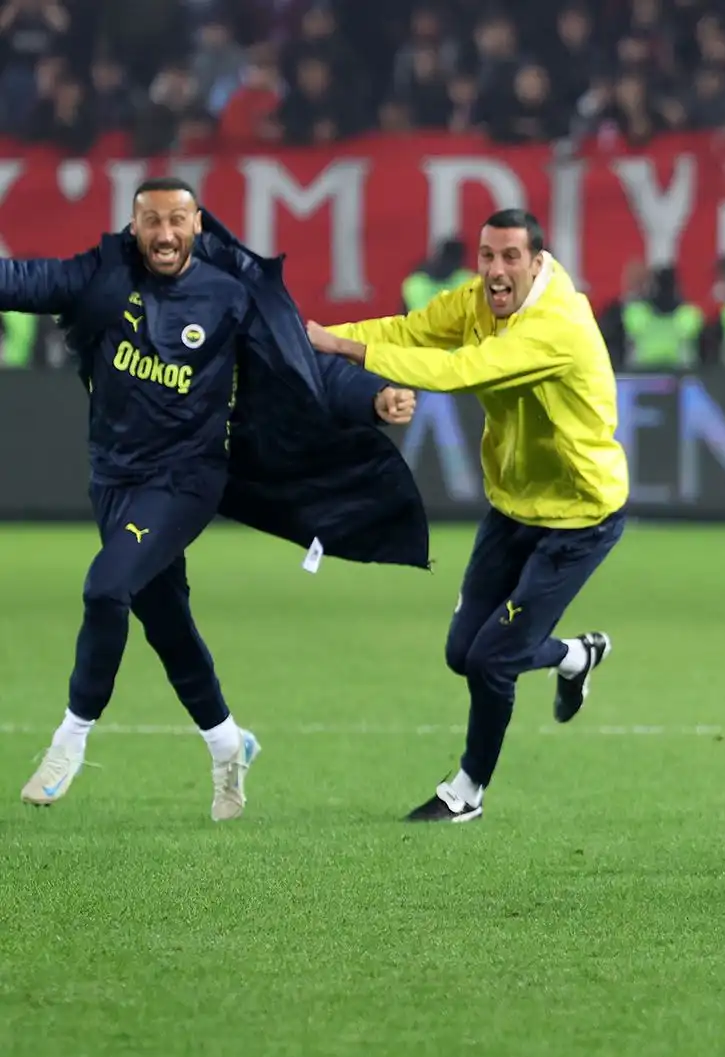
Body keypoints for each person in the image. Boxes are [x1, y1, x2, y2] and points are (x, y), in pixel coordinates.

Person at [5, 177, 429, 820]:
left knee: (104, 588)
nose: (166, 234)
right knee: (167, 623)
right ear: (133, 225)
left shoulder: (229, 293)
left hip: (188, 479)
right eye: (152, 221)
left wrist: (369, 397)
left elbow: (300, 363)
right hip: (114, 480)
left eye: (178, 220)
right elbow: (25, 281)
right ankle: (229, 743)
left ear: (198, 223)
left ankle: (70, 739)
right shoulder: (103, 276)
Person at [305, 208, 629, 824]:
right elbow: (412, 330)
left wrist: (340, 346)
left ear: (539, 263)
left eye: (510, 257)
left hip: (579, 516)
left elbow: (457, 372)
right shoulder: (480, 301)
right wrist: (321, 335)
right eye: (487, 256)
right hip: (512, 506)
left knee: (491, 660)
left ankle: (467, 793)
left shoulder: (556, 323)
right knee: (464, 653)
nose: (496, 271)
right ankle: (574, 657)